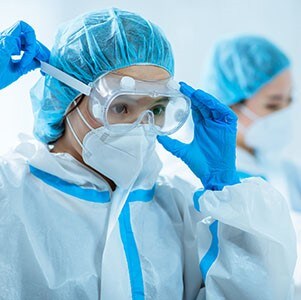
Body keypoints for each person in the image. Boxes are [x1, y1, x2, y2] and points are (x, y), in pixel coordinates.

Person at [0, 10, 297, 300]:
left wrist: (226, 189)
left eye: (156, 109)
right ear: (67, 99)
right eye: (120, 107)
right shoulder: (10, 195)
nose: (141, 127)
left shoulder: (176, 207)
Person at [202, 35, 301, 298]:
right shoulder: (204, 178)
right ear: (230, 104)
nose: (284, 113)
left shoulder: (286, 172)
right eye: (272, 104)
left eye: (289, 101)